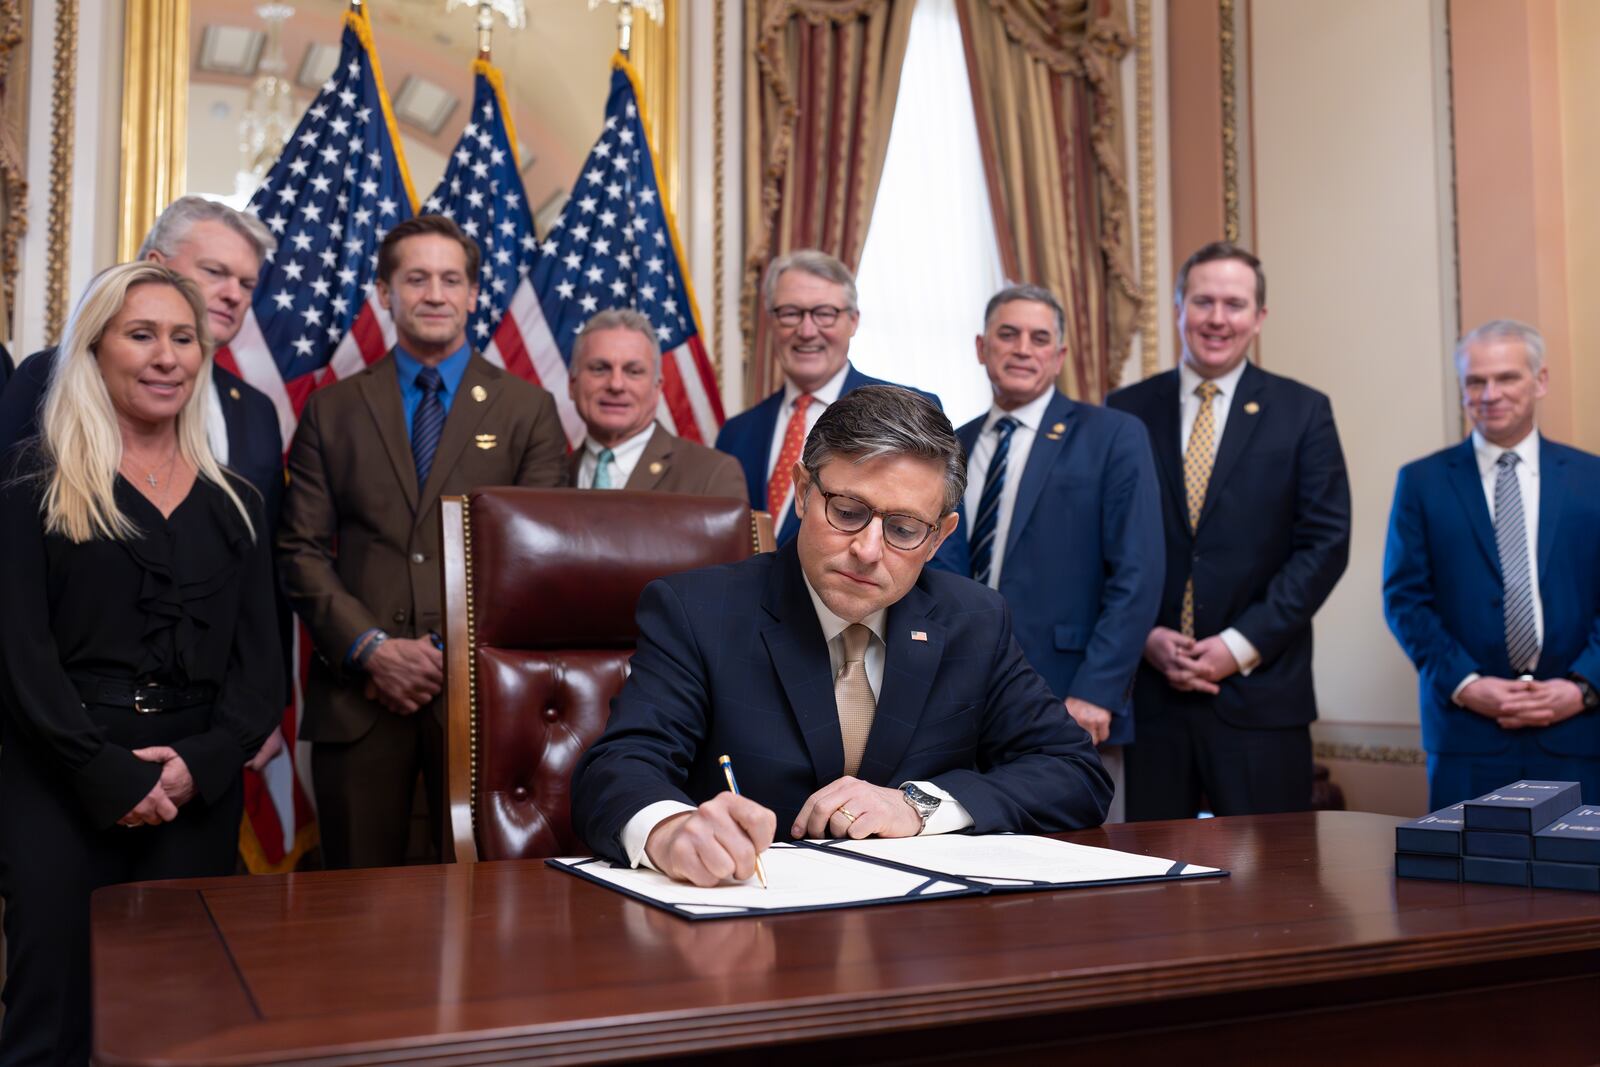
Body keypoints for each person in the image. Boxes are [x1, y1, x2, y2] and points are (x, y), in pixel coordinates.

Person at [573, 385, 1112, 887]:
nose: (868, 550)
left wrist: (919, 806)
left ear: (938, 537)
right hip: (748, 924)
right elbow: (618, 769)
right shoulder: (697, 611)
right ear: (805, 492)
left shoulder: (973, 620)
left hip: (914, 940)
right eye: (848, 512)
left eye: (903, 529)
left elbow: (1074, 772)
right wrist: (669, 830)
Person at [0, 262, 281, 1064]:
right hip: (60, 781)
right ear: (94, 351)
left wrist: (197, 766)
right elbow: (20, 660)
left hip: (196, 789)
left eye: (184, 338)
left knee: (185, 1020)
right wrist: (110, 775)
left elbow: (262, 672)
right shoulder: (32, 488)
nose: (168, 356)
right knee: (50, 1016)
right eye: (142, 334)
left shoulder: (237, 502)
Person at [277, 214, 568, 870]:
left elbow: (538, 560)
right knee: (353, 910)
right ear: (385, 292)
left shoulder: (529, 410)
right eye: (416, 278)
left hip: (480, 703)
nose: (434, 293)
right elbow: (298, 549)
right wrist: (374, 650)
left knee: (483, 910)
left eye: (450, 279)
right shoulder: (333, 408)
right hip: (358, 700)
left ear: (472, 294)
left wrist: (445, 653)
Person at [0, 197, 290, 773]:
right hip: (66, 735)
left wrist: (259, 714)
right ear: (157, 263)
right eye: (215, 271)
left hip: (205, 736)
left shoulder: (255, 410)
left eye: (247, 281)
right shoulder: (49, 377)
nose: (233, 292)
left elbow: (261, 576)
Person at [1106, 242, 1350, 820]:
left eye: (1235, 304)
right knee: (1148, 888)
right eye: (1203, 301)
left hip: (1261, 695)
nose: (1218, 318)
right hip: (1149, 693)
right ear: (1178, 309)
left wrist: (1237, 647)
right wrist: (1145, 635)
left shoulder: (1303, 411)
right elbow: (1103, 541)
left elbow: (1325, 544)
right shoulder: (1125, 410)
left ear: (1259, 317)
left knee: (1277, 887)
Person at [957, 284, 1163, 823]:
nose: (1023, 348)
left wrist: (1098, 692)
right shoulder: (949, 444)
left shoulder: (1113, 435)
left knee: (1084, 876)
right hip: (959, 703)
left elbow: (1138, 575)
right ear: (982, 347)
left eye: (1039, 337)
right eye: (1008, 334)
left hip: (1071, 702)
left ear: (1060, 355)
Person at [1383, 320, 1600, 808]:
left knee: (1579, 883)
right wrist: (1468, 685)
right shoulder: (1422, 482)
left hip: (1580, 734)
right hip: (1467, 735)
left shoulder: (1593, 478)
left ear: (1540, 381)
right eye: (1475, 381)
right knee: (1463, 884)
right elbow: (1405, 601)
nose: (1490, 393)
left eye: (1507, 378)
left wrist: (1583, 688)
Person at [714, 249, 968, 572]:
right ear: (772, 322)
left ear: (853, 321)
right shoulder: (736, 433)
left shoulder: (911, 413)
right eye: (790, 313)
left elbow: (941, 561)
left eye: (825, 313)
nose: (807, 331)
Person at [568, 308, 747, 500]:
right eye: (599, 369)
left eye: (634, 371)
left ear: (657, 388)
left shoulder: (712, 476)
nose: (616, 384)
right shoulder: (548, 476)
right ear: (572, 384)